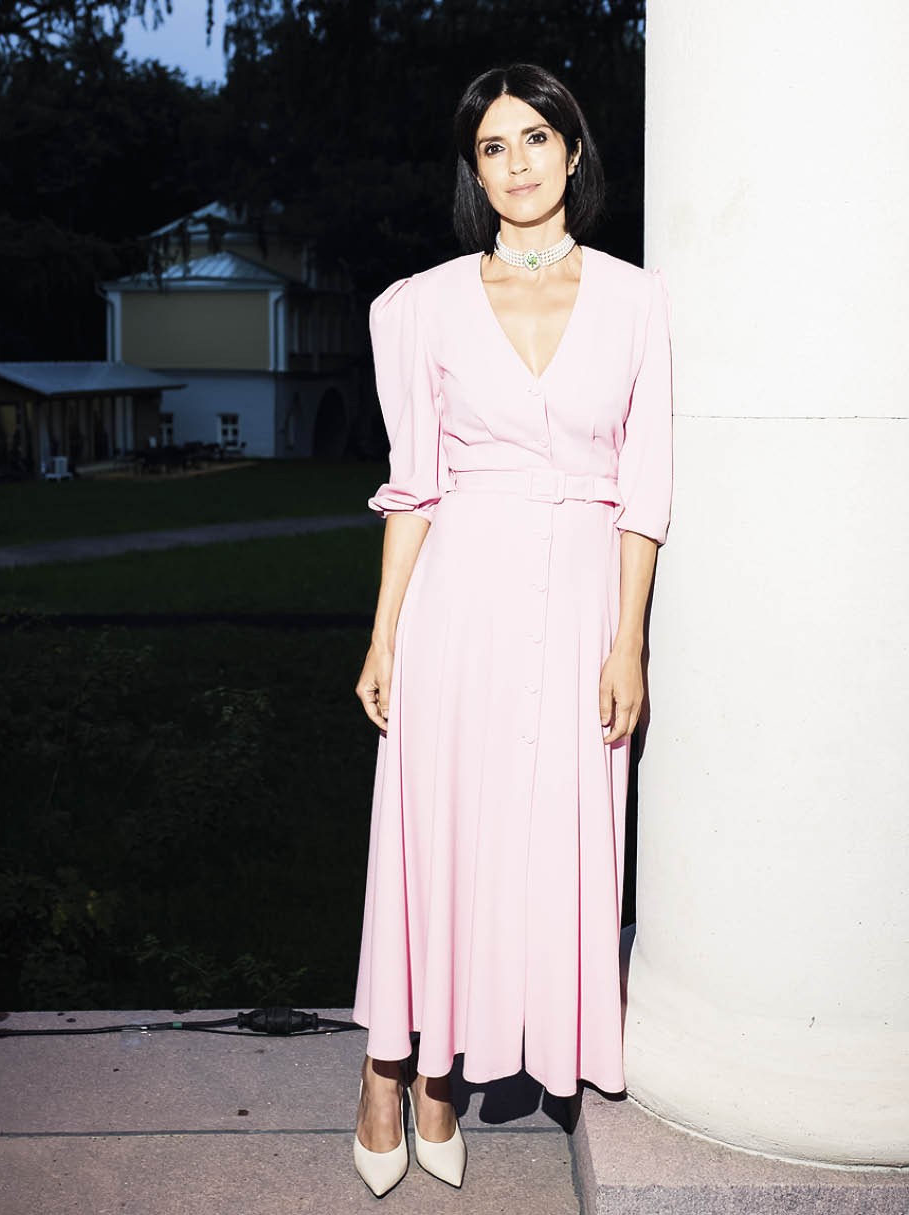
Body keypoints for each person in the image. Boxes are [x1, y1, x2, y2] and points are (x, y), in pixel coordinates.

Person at [351, 62, 673, 1197]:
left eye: (537, 137)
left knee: (541, 842)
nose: (519, 162)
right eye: (495, 146)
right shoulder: (423, 305)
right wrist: (385, 636)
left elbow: (645, 488)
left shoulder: (636, 300)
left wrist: (628, 642)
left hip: (583, 600)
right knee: (437, 834)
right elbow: (413, 486)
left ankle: (453, 1067)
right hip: (460, 602)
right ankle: (393, 1071)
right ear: (474, 172)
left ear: (574, 153)